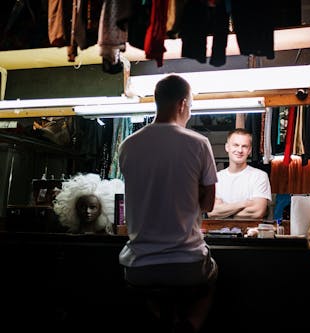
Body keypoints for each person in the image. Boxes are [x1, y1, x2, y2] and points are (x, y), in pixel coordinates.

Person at [118, 74, 218, 332]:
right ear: (183, 104)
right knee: (210, 279)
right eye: (191, 106)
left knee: (148, 296)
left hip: (139, 265)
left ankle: (161, 322)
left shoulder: (128, 145)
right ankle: (188, 326)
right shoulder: (199, 143)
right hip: (187, 264)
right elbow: (208, 203)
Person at [207, 128, 272, 219]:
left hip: (249, 232)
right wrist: (244, 203)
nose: (240, 150)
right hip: (219, 232)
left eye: (244, 146)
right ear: (227, 147)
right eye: (236, 145)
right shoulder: (217, 178)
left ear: (249, 150)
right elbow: (212, 212)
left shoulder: (259, 176)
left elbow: (257, 212)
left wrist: (225, 211)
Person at [52, 173, 124, 234]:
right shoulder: (67, 237)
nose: (87, 211)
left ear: (101, 210)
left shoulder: (106, 239)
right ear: (75, 208)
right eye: (82, 207)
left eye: (92, 207)